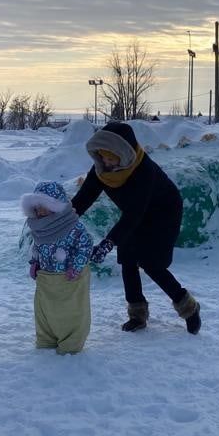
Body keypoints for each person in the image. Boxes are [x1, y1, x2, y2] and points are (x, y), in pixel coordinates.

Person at [71, 121, 201, 334]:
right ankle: (137, 315)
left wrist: (107, 243)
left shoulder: (143, 171)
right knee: (128, 260)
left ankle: (189, 307)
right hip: (133, 213)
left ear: (124, 153)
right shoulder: (102, 170)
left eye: (111, 157)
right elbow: (82, 200)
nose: (106, 162)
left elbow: (134, 215)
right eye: (102, 156)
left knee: (151, 264)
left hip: (163, 214)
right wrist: (60, 219)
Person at [21, 181, 93, 354]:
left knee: (70, 313)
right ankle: (47, 339)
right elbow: (37, 247)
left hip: (69, 279)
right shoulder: (38, 228)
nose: (39, 212)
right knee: (46, 311)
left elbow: (86, 245)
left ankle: (71, 343)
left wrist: (75, 266)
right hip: (46, 279)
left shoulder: (73, 227)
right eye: (36, 208)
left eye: (44, 207)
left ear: (56, 206)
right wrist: (34, 263)